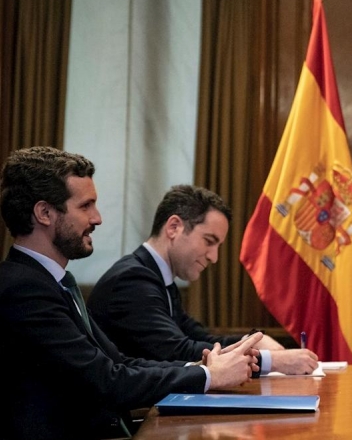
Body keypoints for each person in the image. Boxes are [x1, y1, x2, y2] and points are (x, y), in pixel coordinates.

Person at [0, 147, 262, 439]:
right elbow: (107, 381)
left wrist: (201, 366)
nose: (97, 219)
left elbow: (120, 363)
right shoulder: (23, 288)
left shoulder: (53, 282)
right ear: (45, 213)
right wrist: (209, 375)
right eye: (86, 206)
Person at [88, 184, 319, 375]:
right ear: (174, 227)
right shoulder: (132, 280)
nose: (214, 257)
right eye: (209, 241)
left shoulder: (158, 276)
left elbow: (198, 337)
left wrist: (254, 341)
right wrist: (268, 361)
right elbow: (177, 351)